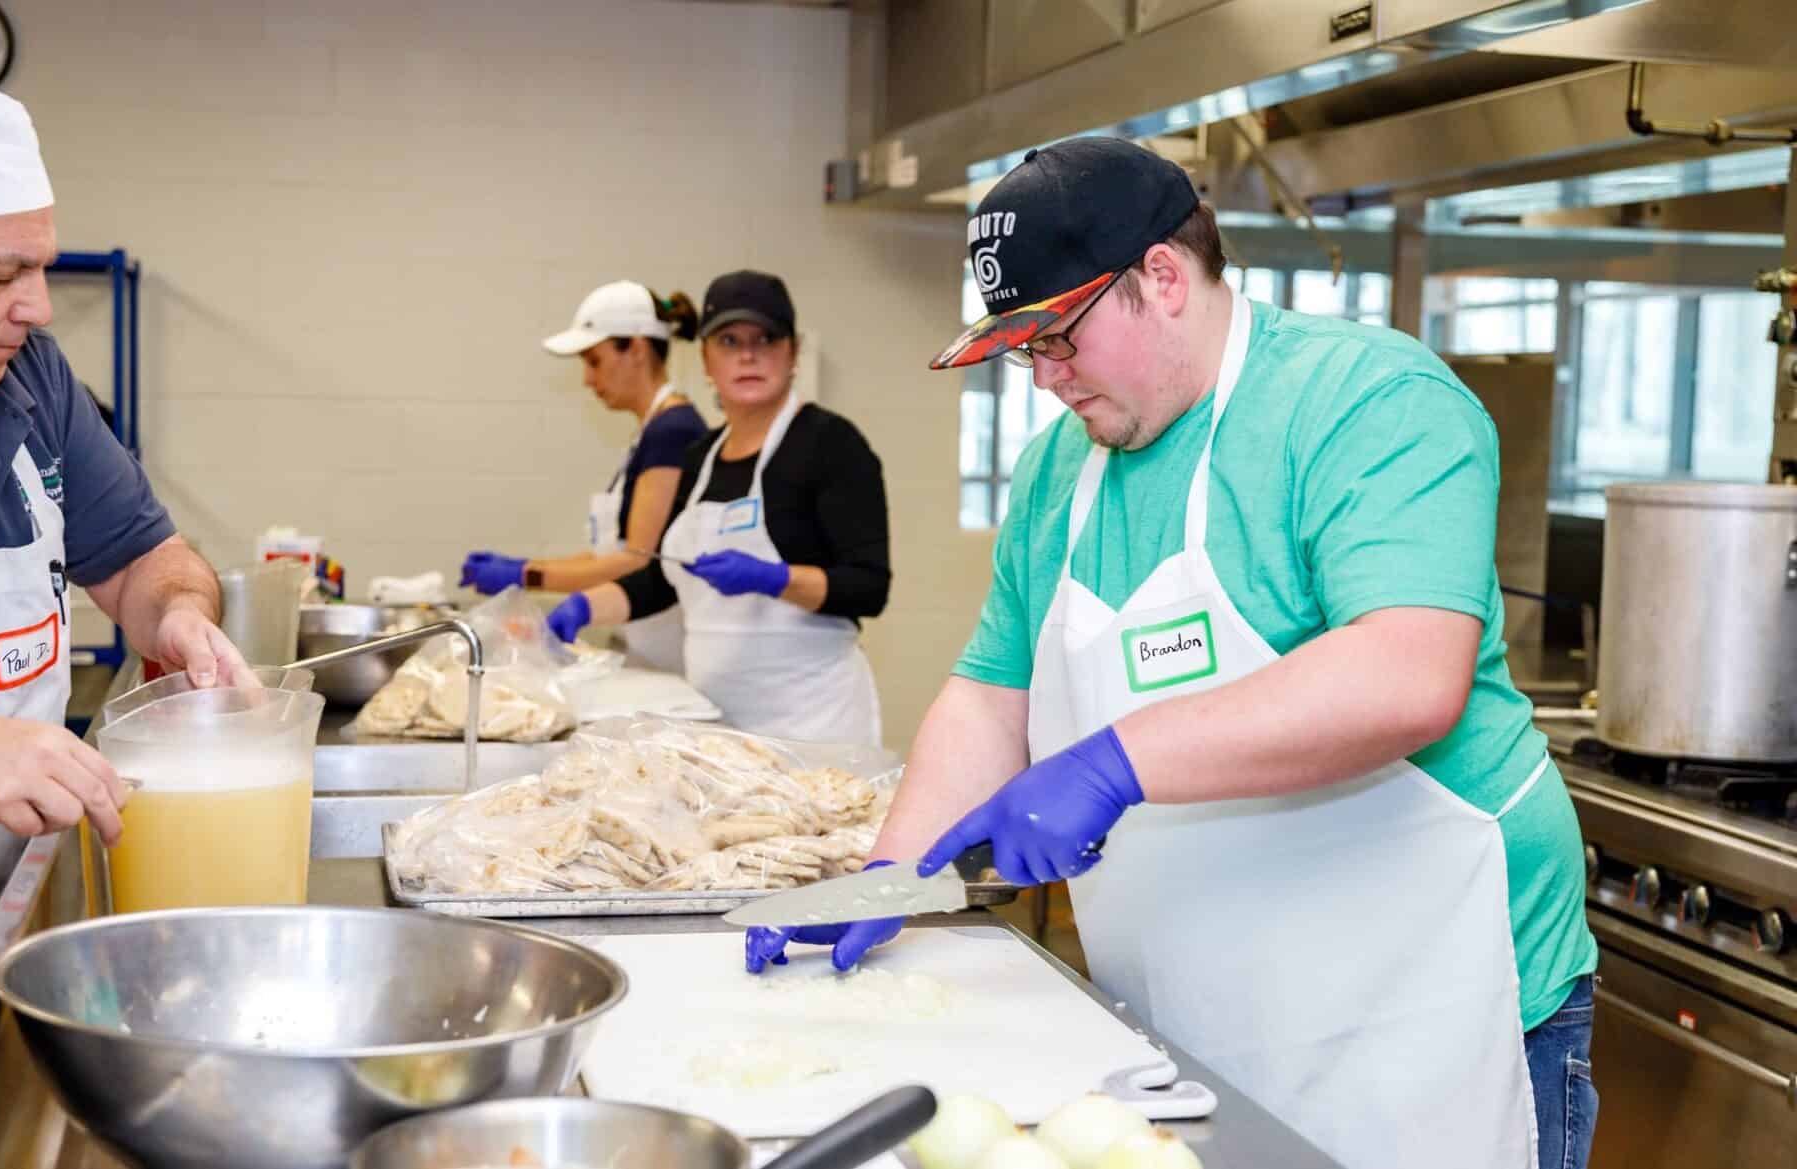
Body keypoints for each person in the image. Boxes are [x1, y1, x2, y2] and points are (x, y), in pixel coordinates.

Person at [746, 139, 1598, 1169]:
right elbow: (990, 696)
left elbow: (1405, 672)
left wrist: (1113, 761)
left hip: (1427, 1011)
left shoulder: (1366, 401)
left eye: (1059, 336)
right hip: (1193, 1017)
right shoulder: (1062, 466)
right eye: (1022, 352)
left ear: (1161, 276)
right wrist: (887, 876)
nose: (1045, 379)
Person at [0, 79, 252, 1084]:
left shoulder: (27, 380)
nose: (37, 306)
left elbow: (143, 559)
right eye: (3, 273)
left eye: (39, 268)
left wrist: (178, 618)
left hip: (6, 915)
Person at [545, 271, 890, 745]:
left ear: (792, 353)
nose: (747, 355)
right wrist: (586, 606)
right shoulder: (700, 456)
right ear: (706, 358)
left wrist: (774, 578)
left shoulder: (830, 444)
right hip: (716, 725)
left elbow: (868, 587)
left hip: (811, 723)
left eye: (765, 339)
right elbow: (662, 579)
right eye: (729, 341)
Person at [458, 281, 706, 672]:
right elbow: (611, 552)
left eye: (594, 361)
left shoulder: (673, 432)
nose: (588, 380)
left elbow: (636, 563)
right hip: (639, 639)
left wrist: (529, 575)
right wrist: (524, 564)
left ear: (637, 349)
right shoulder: (652, 432)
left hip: (664, 650)